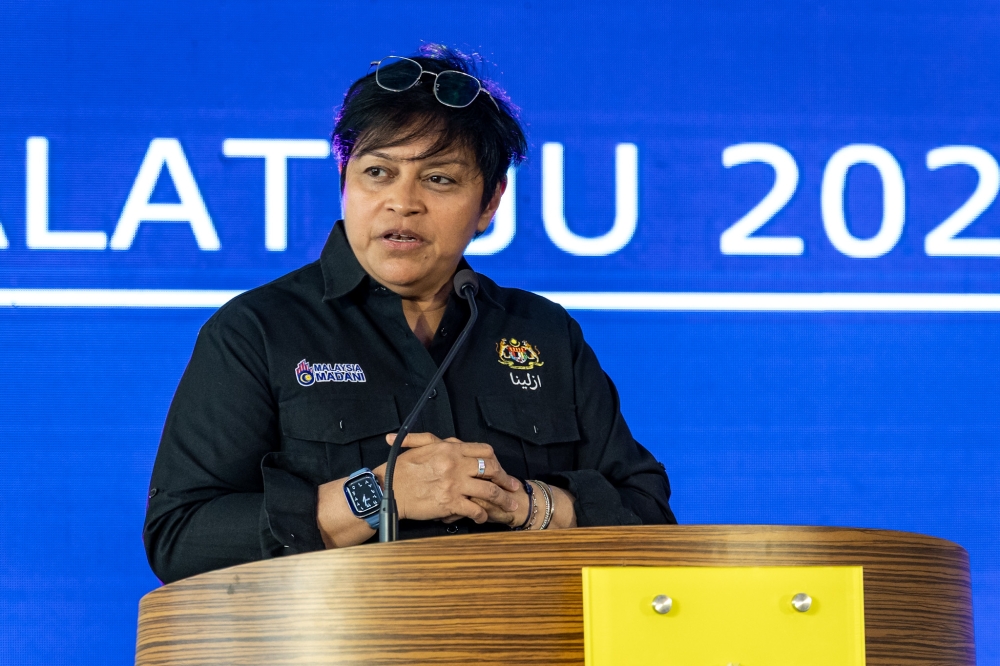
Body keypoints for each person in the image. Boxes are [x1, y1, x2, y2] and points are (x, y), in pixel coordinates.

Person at [143, 44, 676, 585]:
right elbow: (180, 537)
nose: (403, 201)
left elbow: (649, 518)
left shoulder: (544, 332)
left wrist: (525, 505)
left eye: (439, 178)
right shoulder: (257, 330)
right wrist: (376, 496)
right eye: (378, 172)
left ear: (490, 202)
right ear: (345, 184)